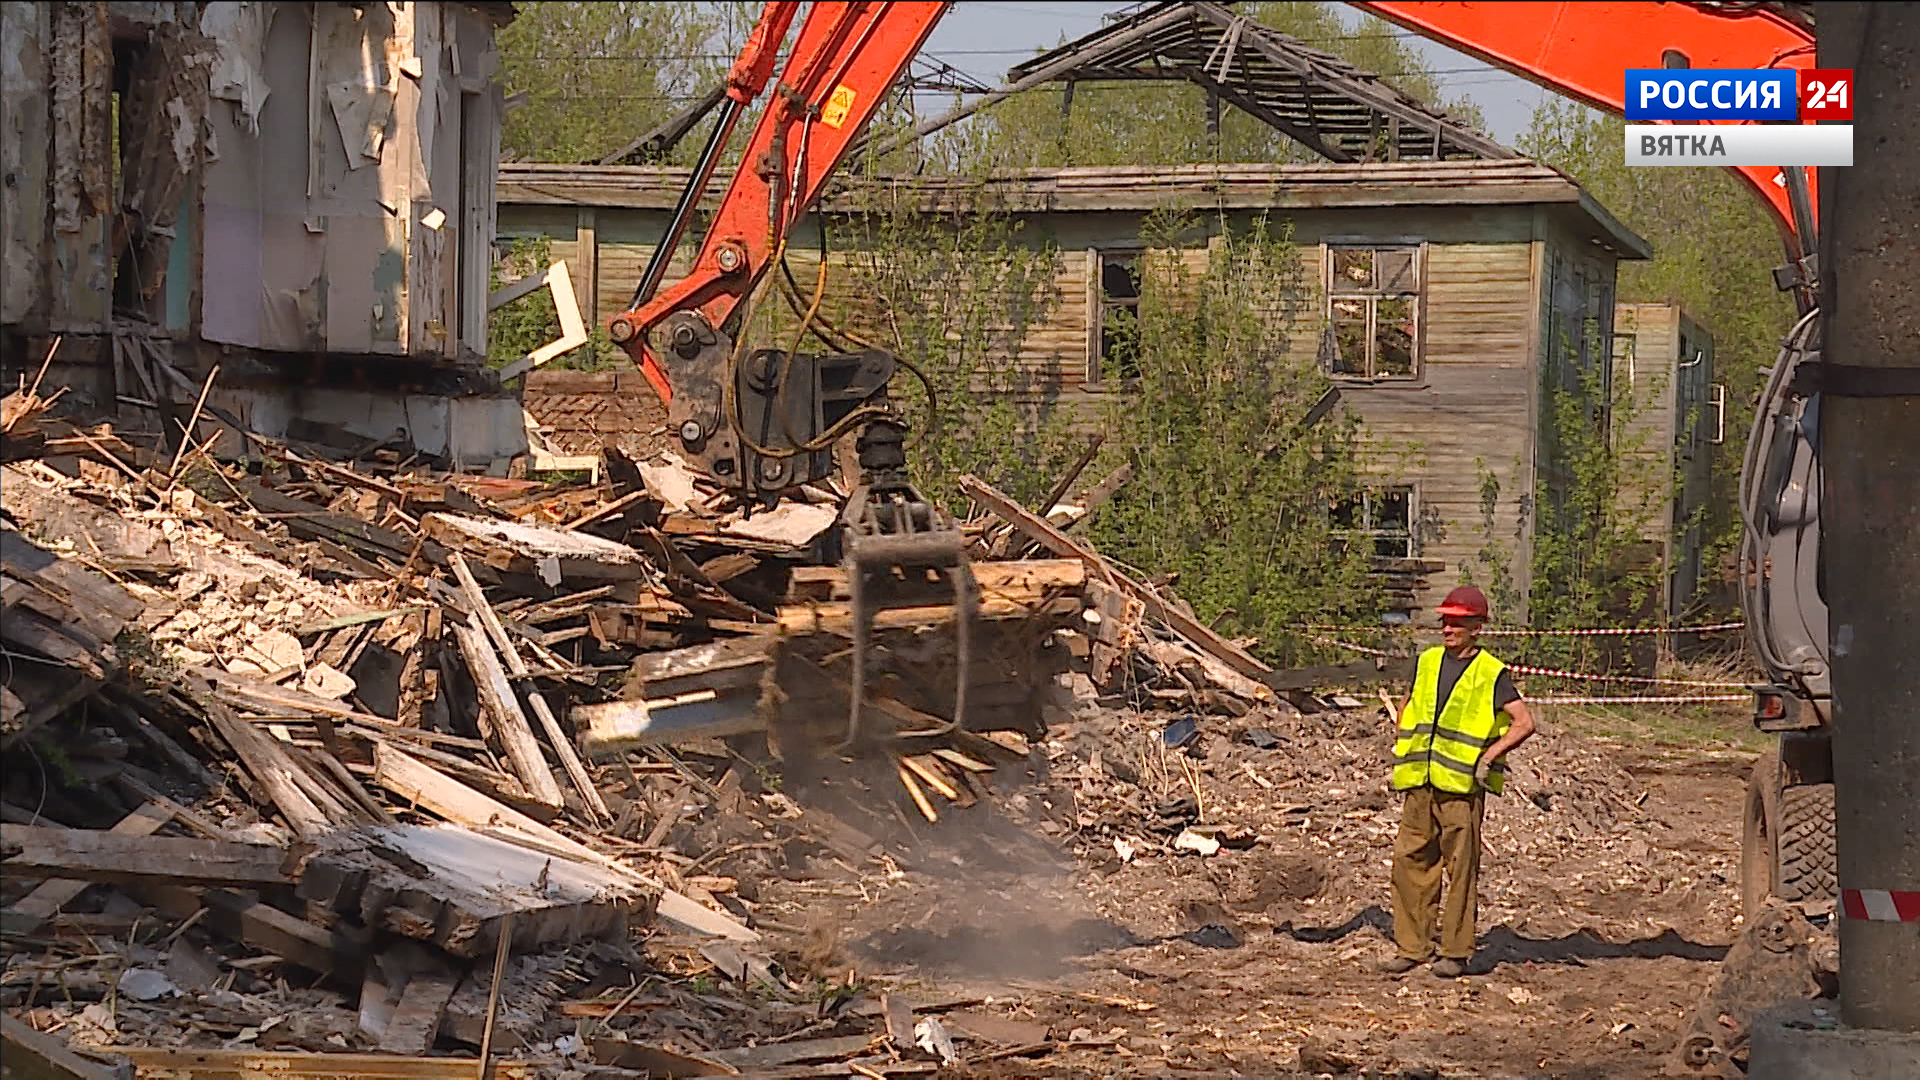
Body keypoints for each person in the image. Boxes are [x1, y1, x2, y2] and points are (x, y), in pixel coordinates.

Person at [1375, 585, 1535, 978]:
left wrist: (1489, 757)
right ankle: (1413, 947)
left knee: (1460, 869)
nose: (1448, 628)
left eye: (1457, 622)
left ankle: (1456, 951)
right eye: (1445, 620)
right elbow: (1410, 702)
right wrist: (1403, 735)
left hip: (1462, 788)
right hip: (1420, 781)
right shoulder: (1427, 661)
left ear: (1477, 627)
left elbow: (1525, 722)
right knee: (1409, 863)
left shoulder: (1491, 673)